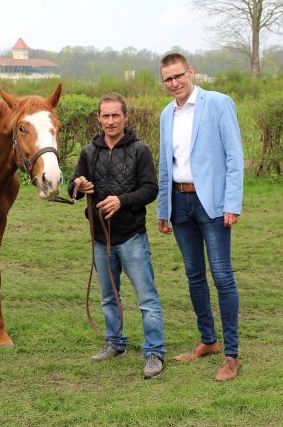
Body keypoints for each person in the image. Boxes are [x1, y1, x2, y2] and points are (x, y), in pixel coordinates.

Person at [156, 53, 244, 381]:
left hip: (212, 204)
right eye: (168, 79)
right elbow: (167, 164)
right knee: (194, 276)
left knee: (222, 276)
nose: (174, 83)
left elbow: (235, 156)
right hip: (179, 203)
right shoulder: (167, 114)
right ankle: (208, 340)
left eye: (179, 76)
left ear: (190, 72)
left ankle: (231, 356)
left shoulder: (218, 103)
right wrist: (164, 209)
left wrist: (232, 203)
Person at [69, 92, 166, 379]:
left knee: (146, 298)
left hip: (132, 236)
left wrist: (122, 200)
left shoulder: (139, 150)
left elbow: (151, 189)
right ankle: (115, 343)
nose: (110, 121)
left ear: (126, 117)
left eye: (115, 115)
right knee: (108, 297)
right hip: (100, 238)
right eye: (105, 115)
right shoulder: (89, 152)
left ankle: (154, 351)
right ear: (98, 119)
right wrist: (79, 185)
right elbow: (72, 189)